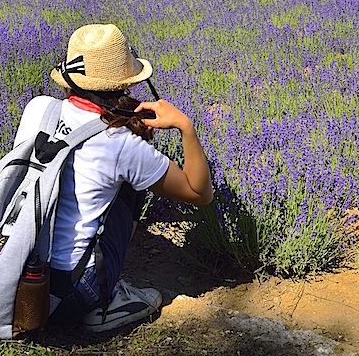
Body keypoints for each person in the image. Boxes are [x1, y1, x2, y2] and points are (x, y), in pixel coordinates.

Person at [13, 23, 213, 332]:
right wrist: (185, 126)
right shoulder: (120, 143)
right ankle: (106, 299)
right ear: (127, 85)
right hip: (70, 294)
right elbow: (199, 193)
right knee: (133, 185)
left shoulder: (38, 108)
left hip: (18, 276)